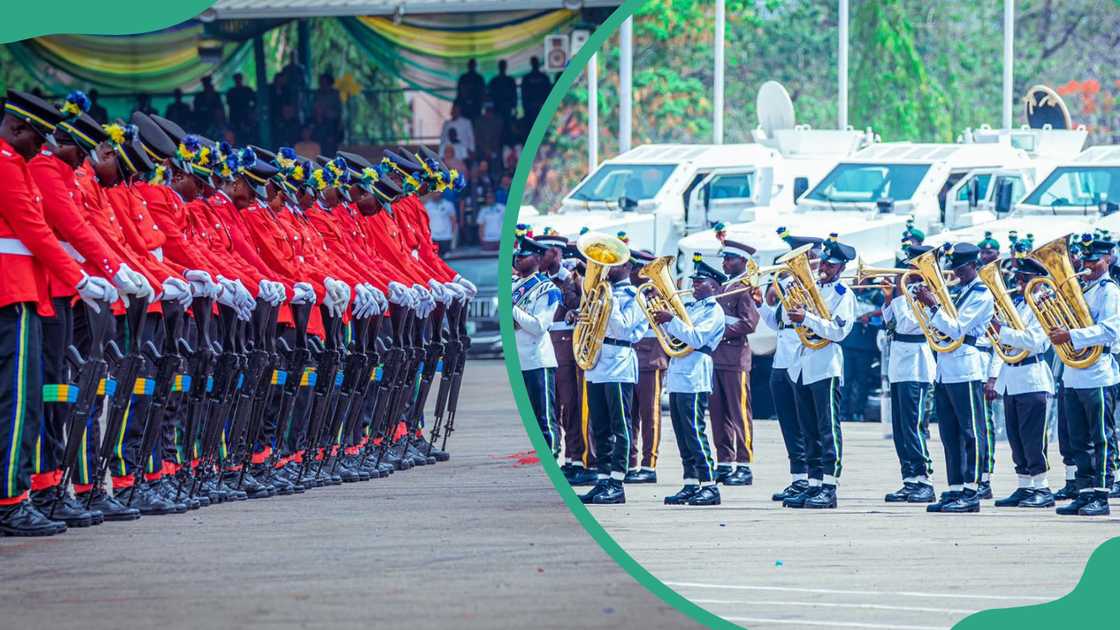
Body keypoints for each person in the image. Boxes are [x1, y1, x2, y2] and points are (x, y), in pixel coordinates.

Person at [0, 91, 118, 536]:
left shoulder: (19, 163)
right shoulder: (9, 164)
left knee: (34, 397)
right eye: (38, 137)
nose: (43, 147)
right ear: (16, 129)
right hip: (15, 291)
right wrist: (84, 277)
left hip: (28, 290)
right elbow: (38, 232)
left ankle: (34, 489)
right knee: (19, 401)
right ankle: (12, 500)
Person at [915, 243, 993, 514]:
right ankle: (956, 487)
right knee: (949, 433)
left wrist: (933, 305)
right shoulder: (960, 292)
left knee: (971, 431)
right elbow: (939, 325)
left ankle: (972, 490)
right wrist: (926, 306)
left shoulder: (982, 294)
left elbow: (957, 328)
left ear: (973, 265)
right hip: (946, 368)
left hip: (966, 367)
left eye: (960, 269)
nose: (956, 274)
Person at [782, 235, 856, 510]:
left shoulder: (842, 295)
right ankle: (813, 484)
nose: (824, 267)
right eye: (823, 262)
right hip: (803, 364)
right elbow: (788, 319)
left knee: (828, 429)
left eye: (831, 264)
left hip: (826, 365)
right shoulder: (811, 286)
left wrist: (808, 318)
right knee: (808, 428)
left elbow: (838, 331)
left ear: (841, 268)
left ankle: (829, 486)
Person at [1050, 235, 1119, 516]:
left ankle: (1101, 495)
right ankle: (1085, 491)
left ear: (1109, 259)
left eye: (1095, 260)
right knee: (1078, 439)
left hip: (1098, 373)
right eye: (1087, 259)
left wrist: (1071, 335)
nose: (1089, 265)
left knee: (1101, 437)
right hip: (1074, 373)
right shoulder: (1083, 287)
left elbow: (1112, 329)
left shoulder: (1109, 291)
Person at [652, 255, 726, 506]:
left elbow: (695, 338)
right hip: (679, 372)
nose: (693, 284)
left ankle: (709, 485)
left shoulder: (713, 311)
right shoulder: (692, 307)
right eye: (694, 280)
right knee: (682, 433)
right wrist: (660, 318)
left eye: (700, 281)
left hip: (695, 373)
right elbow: (671, 333)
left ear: (714, 286)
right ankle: (691, 482)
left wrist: (670, 320)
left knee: (694, 431)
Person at [579, 241, 646, 506]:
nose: (607, 268)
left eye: (614, 264)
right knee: (600, 427)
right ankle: (604, 477)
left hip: (619, 362)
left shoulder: (636, 297)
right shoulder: (600, 291)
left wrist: (609, 303)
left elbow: (623, 329)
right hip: (596, 363)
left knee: (621, 425)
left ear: (628, 267)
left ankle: (618, 481)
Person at [988, 256, 1056, 508]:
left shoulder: (1045, 305)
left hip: (1031, 377)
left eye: (1023, 278)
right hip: (1011, 377)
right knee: (1016, 438)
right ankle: (1025, 486)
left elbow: (1036, 341)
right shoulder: (1018, 305)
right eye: (1017, 278)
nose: (1017, 282)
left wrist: (1002, 330)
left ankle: (1043, 487)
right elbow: (1003, 344)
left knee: (1032, 438)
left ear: (1035, 281)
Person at [760, 231, 820, 502]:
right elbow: (777, 322)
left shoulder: (813, 286)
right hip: (782, 359)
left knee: (804, 421)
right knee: (787, 421)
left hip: (801, 357)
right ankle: (798, 477)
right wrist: (758, 302)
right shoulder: (787, 285)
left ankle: (812, 478)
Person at [881, 245, 937, 503]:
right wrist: (887, 299)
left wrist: (899, 294)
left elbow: (910, 324)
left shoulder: (930, 292)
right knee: (901, 428)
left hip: (917, 364)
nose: (904, 271)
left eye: (910, 265)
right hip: (899, 365)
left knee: (914, 426)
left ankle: (924, 480)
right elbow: (890, 322)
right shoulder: (905, 292)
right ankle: (909, 479)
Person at [710, 237, 760, 486]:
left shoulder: (744, 287)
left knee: (740, 414)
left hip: (734, 357)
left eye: (729, 259)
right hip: (717, 358)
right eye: (724, 258)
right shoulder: (723, 286)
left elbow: (749, 322)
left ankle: (744, 464)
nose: (725, 263)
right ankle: (724, 462)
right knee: (718, 415)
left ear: (743, 261)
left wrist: (718, 332)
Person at [512, 234, 562, 460]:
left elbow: (539, 325)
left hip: (537, 358)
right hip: (518, 359)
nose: (518, 259)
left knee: (544, 415)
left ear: (537, 258)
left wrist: (513, 311)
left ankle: (550, 452)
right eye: (518, 255)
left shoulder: (545, 289)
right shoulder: (512, 285)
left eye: (524, 256)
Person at [624, 249, 667, 484]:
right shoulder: (630, 293)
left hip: (651, 359)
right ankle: (631, 463)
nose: (631, 273)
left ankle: (649, 465)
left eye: (634, 268)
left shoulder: (657, 294)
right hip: (630, 358)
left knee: (650, 415)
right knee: (629, 414)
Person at [424, 190, 457, 254]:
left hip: (446, 236)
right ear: (431, 193)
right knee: (434, 258)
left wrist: (452, 235)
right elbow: (424, 222)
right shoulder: (426, 206)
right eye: (434, 192)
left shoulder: (448, 204)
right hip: (432, 237)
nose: (436, 194)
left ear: (441, 193)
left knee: (447, 259)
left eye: (438, 192)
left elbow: (453, 221)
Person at [226, 73, 257, 142]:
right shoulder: (231, 92)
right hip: (236, 119)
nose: (238, 81)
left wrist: (251, 113)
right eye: (237, 79)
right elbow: (230, 105)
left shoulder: (247, 90)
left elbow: (255, 102)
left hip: (247, 118)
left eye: (239, 79)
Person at [521, 56, 552, 123]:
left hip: (536, 107)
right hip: (534, 107)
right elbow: (524, 93)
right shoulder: (544, 77)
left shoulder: (527, 78)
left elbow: (524, 94)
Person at [474, 102, 504, 169]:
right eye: (487, 110)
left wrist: (491, 150)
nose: (489, 112)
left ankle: (496, 175)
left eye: (490, 110)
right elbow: (476, 137)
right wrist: (485, 149)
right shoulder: (478, 121)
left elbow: (498, 137)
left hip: (494, 149)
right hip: (481, 149)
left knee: (496, 157)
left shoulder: (498, 121)